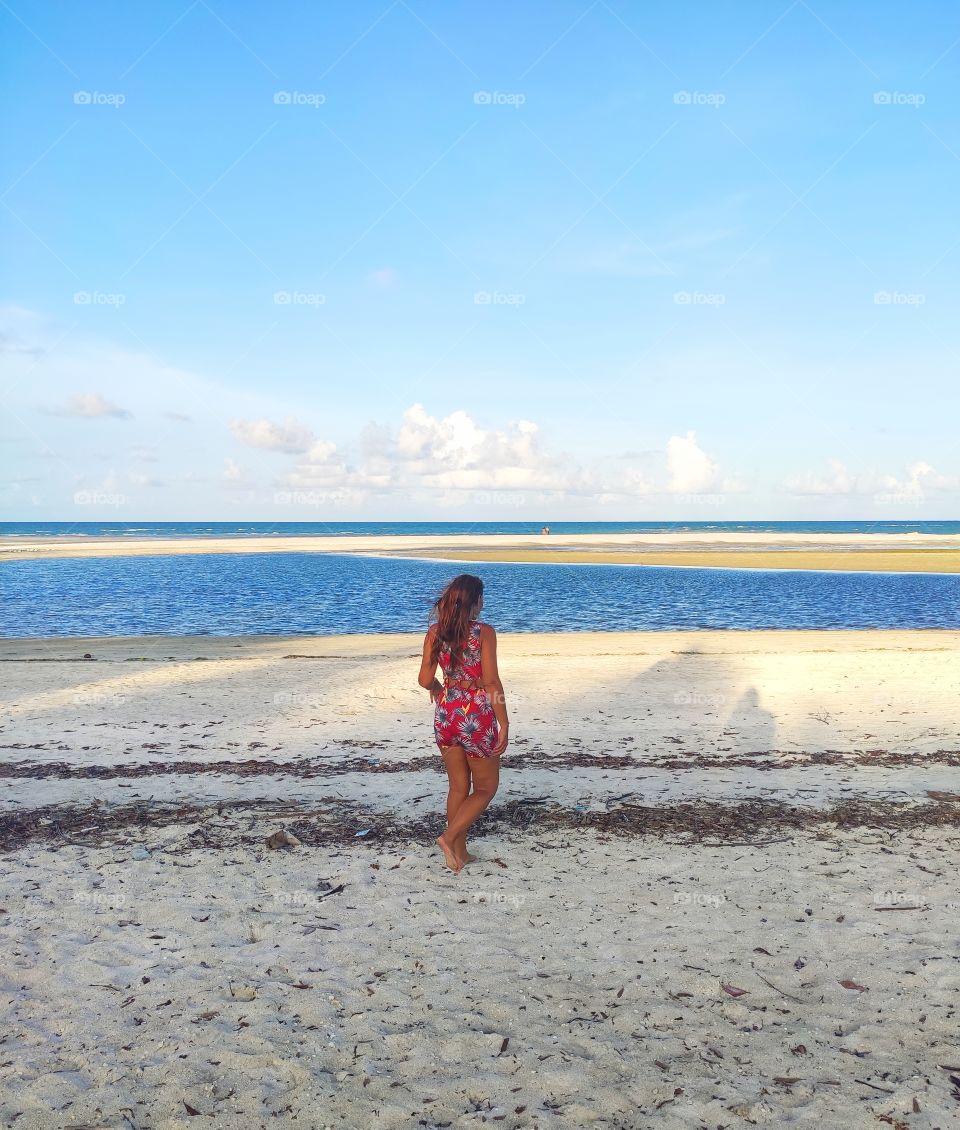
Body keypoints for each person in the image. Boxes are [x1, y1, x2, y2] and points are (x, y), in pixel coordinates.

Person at [418, 574, 509, 872]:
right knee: (485, 788)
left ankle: (459, 853)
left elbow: (424, 679)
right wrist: (504, 723)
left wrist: (437, 688)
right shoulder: (484, 633)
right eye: (482, 598)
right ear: (476, 601)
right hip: (476, 715)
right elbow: (491, 682)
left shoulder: (435, 632)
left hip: (446, 715)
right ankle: (448, 838)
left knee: (458, 787)